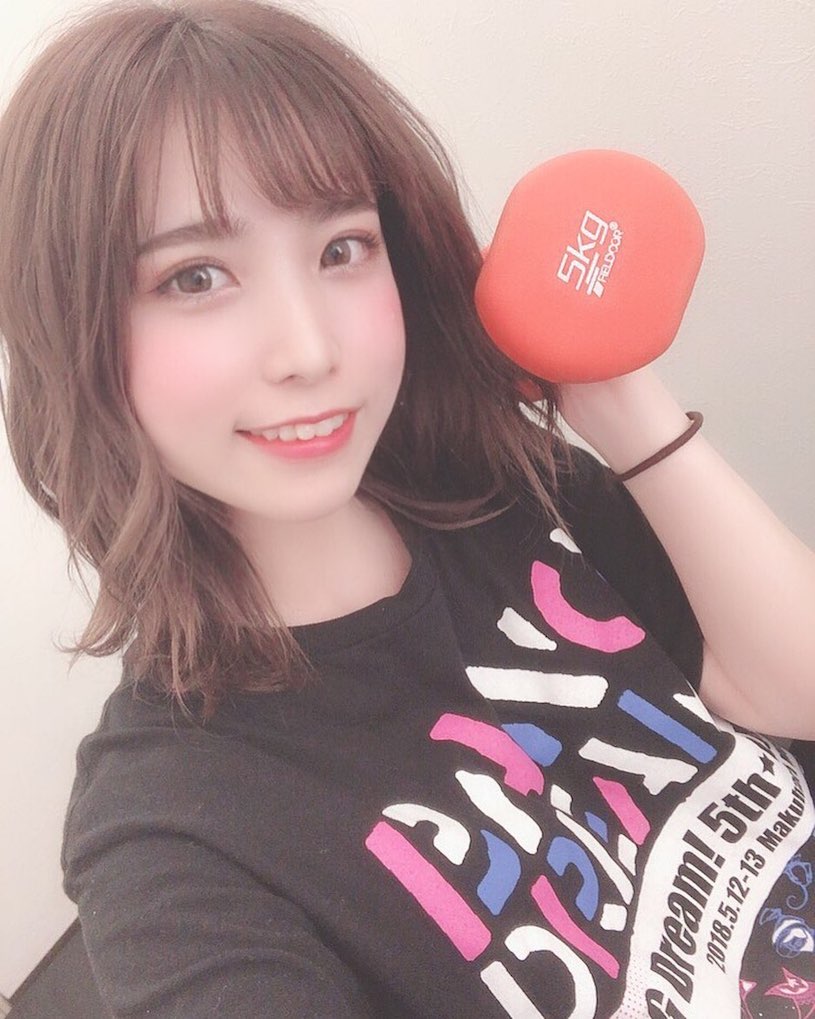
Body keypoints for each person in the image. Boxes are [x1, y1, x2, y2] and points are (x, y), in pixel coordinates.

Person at [1, 1, 813, 1015]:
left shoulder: (514, 488)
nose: (310, 349)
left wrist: (605, 384)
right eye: (195, 276)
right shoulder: (170, 832)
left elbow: (791, 690)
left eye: (342, 248)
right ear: (72, 332)